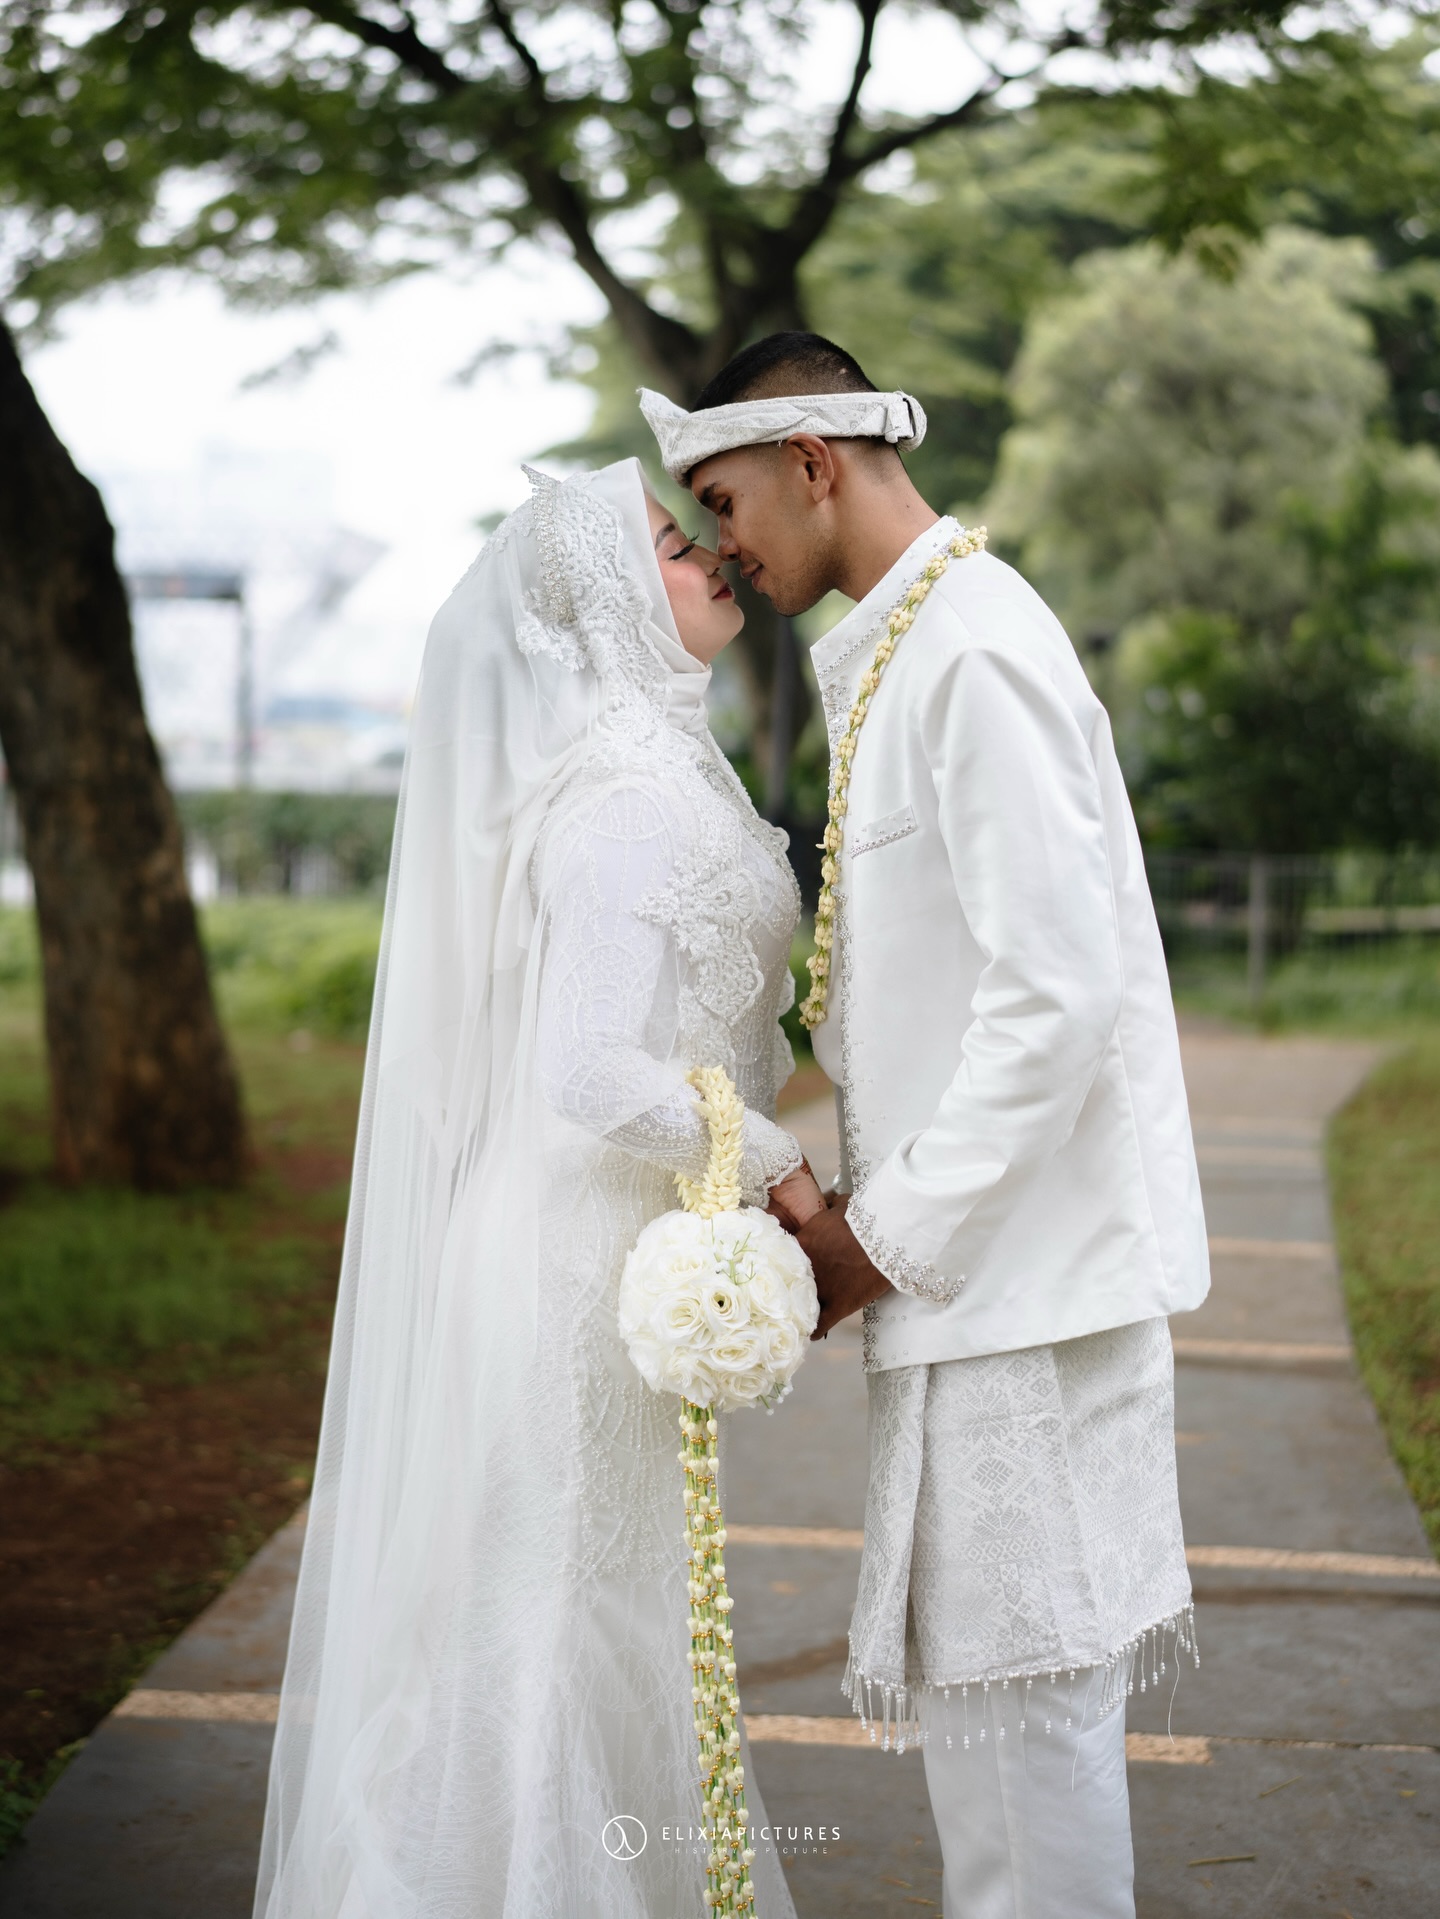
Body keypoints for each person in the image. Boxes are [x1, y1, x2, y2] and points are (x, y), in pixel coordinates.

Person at [643, 335, 1211, 1919]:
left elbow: (1058, 993)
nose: (725, 545)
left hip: (1016, 1304)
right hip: (990, 1304)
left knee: (1026, 1780)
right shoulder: (911, 644)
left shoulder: (970, 646)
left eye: (725, 497)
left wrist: (870, 1246)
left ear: (813, 459)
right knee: (1004, 1771)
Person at [253, 457, 824, 1919]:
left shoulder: (671, 768)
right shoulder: (621, 802)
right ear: (606, 607)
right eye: (663, 536)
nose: (701, 546)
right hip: (571, 1259)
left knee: (601, 1615)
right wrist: (772, 1168)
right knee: (548, 1623)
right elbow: (582, 1068)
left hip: (621, 1248)